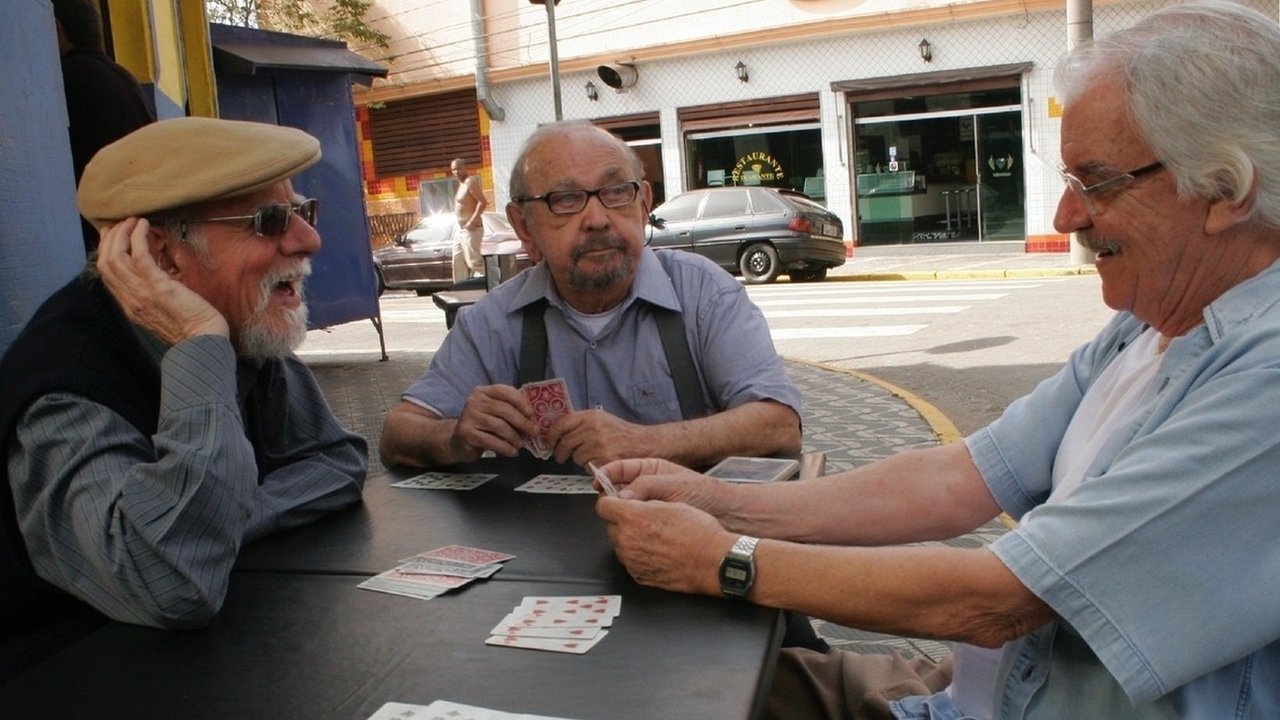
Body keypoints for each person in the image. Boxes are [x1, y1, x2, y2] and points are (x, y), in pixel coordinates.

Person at [595, 2, 1280, 718]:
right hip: (963, 696)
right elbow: (960, 477)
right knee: (685, 690)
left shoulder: (1264, 380)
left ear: (1225, 191)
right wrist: (715, 501)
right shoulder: (1150, 325)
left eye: (1097, 182)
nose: (1065, 218)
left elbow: (999, 600)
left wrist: (723, 561)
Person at [0, 117, 368, 680]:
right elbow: (169, 581)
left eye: (303, 210)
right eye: (269, 220)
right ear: (161, 255)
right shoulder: (65, 382)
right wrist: (199, 347)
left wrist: (230, 517)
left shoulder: (247, 332)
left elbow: (337, 463)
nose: (307, 239)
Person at [380, 121, 802, 473]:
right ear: (524, 226)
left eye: (617, 193)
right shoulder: (493, 321)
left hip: (689, 545)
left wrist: (643, 442)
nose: (598, 219)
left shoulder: (704, 294)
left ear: (643, 204)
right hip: (546, 560)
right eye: (566, 200)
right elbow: (398, 433)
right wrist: (453, 438)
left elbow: (778, 426)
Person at [52, 0, 155, 254]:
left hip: (106, 229)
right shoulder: (120, 76)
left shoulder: (71, 76)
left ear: (56, 29)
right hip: (138, 222)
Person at [451, 157, 488, 282]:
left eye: (459, 168)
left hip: (472, 229)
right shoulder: (460, 185)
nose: (456, 172)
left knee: (475, 263)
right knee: (457, 262)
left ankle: (490, 287)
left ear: (465, 168)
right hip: (460, 230)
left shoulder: (470, 182)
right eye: (454, 169)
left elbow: (482, 202)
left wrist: (472, 220)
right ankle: (460, 291)